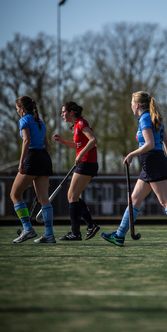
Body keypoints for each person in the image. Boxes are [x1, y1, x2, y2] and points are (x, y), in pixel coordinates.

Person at [101, 91, 167, 248]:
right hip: (153, 162)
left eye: (131, 103)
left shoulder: (144, 119)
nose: (130, 106)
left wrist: (131, 154)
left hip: (152, 162)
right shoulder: (155, 117)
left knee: (165, 201)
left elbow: (150, 144)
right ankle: (119, 235)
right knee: (134, 199)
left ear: (136, 105)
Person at [53, 101, 100, 241]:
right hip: (86, 162)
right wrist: (63, 141)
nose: (62, 114)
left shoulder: (81, 124)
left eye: (64, 112)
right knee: (73, 196)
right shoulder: (76, 126)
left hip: (87, 163)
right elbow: (79, 145)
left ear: (71, 112)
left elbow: (93, 140)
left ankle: (76, 232)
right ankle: (90, 225)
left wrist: (80, 155)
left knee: (72, 196)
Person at [11, 96, 55, 244]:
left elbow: (27, 141)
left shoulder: (24, 120)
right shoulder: (40, 122)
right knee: (44, 198)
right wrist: (46, 163)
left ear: (22, 109)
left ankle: (28, 229)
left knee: (15, 194)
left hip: (32, 157)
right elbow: (47, 145)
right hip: (44, 158)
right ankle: (49, 234)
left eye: (17, 109)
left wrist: (21, 162)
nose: (17, 112)